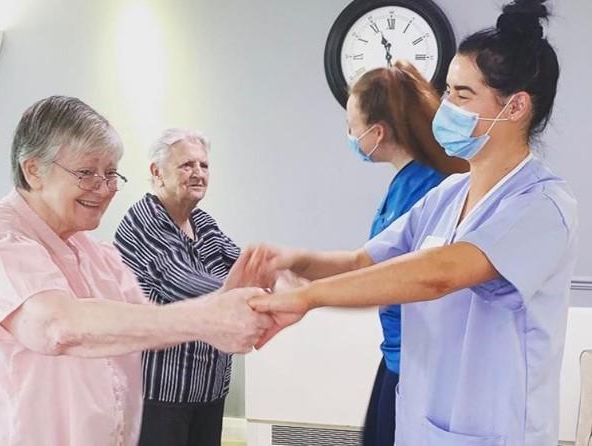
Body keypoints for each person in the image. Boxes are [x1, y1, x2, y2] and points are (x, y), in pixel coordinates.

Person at [246, 1, 577, 444]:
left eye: (462, 95)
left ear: (515, 107)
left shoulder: (543, 205)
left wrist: (307, 297)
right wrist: (294, 259)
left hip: (494, 430)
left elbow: (440, 275)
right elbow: (366, 260)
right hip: (421, 422)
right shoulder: (448, 194)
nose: (445, 107)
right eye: (448, 92)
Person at [0, 96, 272, 446]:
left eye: (111, 172)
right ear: (33, 170)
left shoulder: (87, 249)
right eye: (86, 173)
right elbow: (57, 326)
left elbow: (145, 318)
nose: (104, 187)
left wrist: (232, 305)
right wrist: (208, 316)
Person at [345, 60, 467, 446]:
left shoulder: (430, 188)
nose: (349, 134)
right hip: (397, 353)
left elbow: (397, 276)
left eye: (351, 125)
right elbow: (366, 262)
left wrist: (303, 295)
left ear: (377, 132)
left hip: (418, 361)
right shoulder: (407, 184)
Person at [114, 129, 240, 446]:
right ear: (157, 172)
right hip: (160, 394)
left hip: (209, 388)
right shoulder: (142, 221)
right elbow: (185, 283)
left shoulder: (203, 223)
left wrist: (281, 274)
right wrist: (255, 295)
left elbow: (241, 266)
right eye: (186, 165)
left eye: (204, 165)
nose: (198, 173)